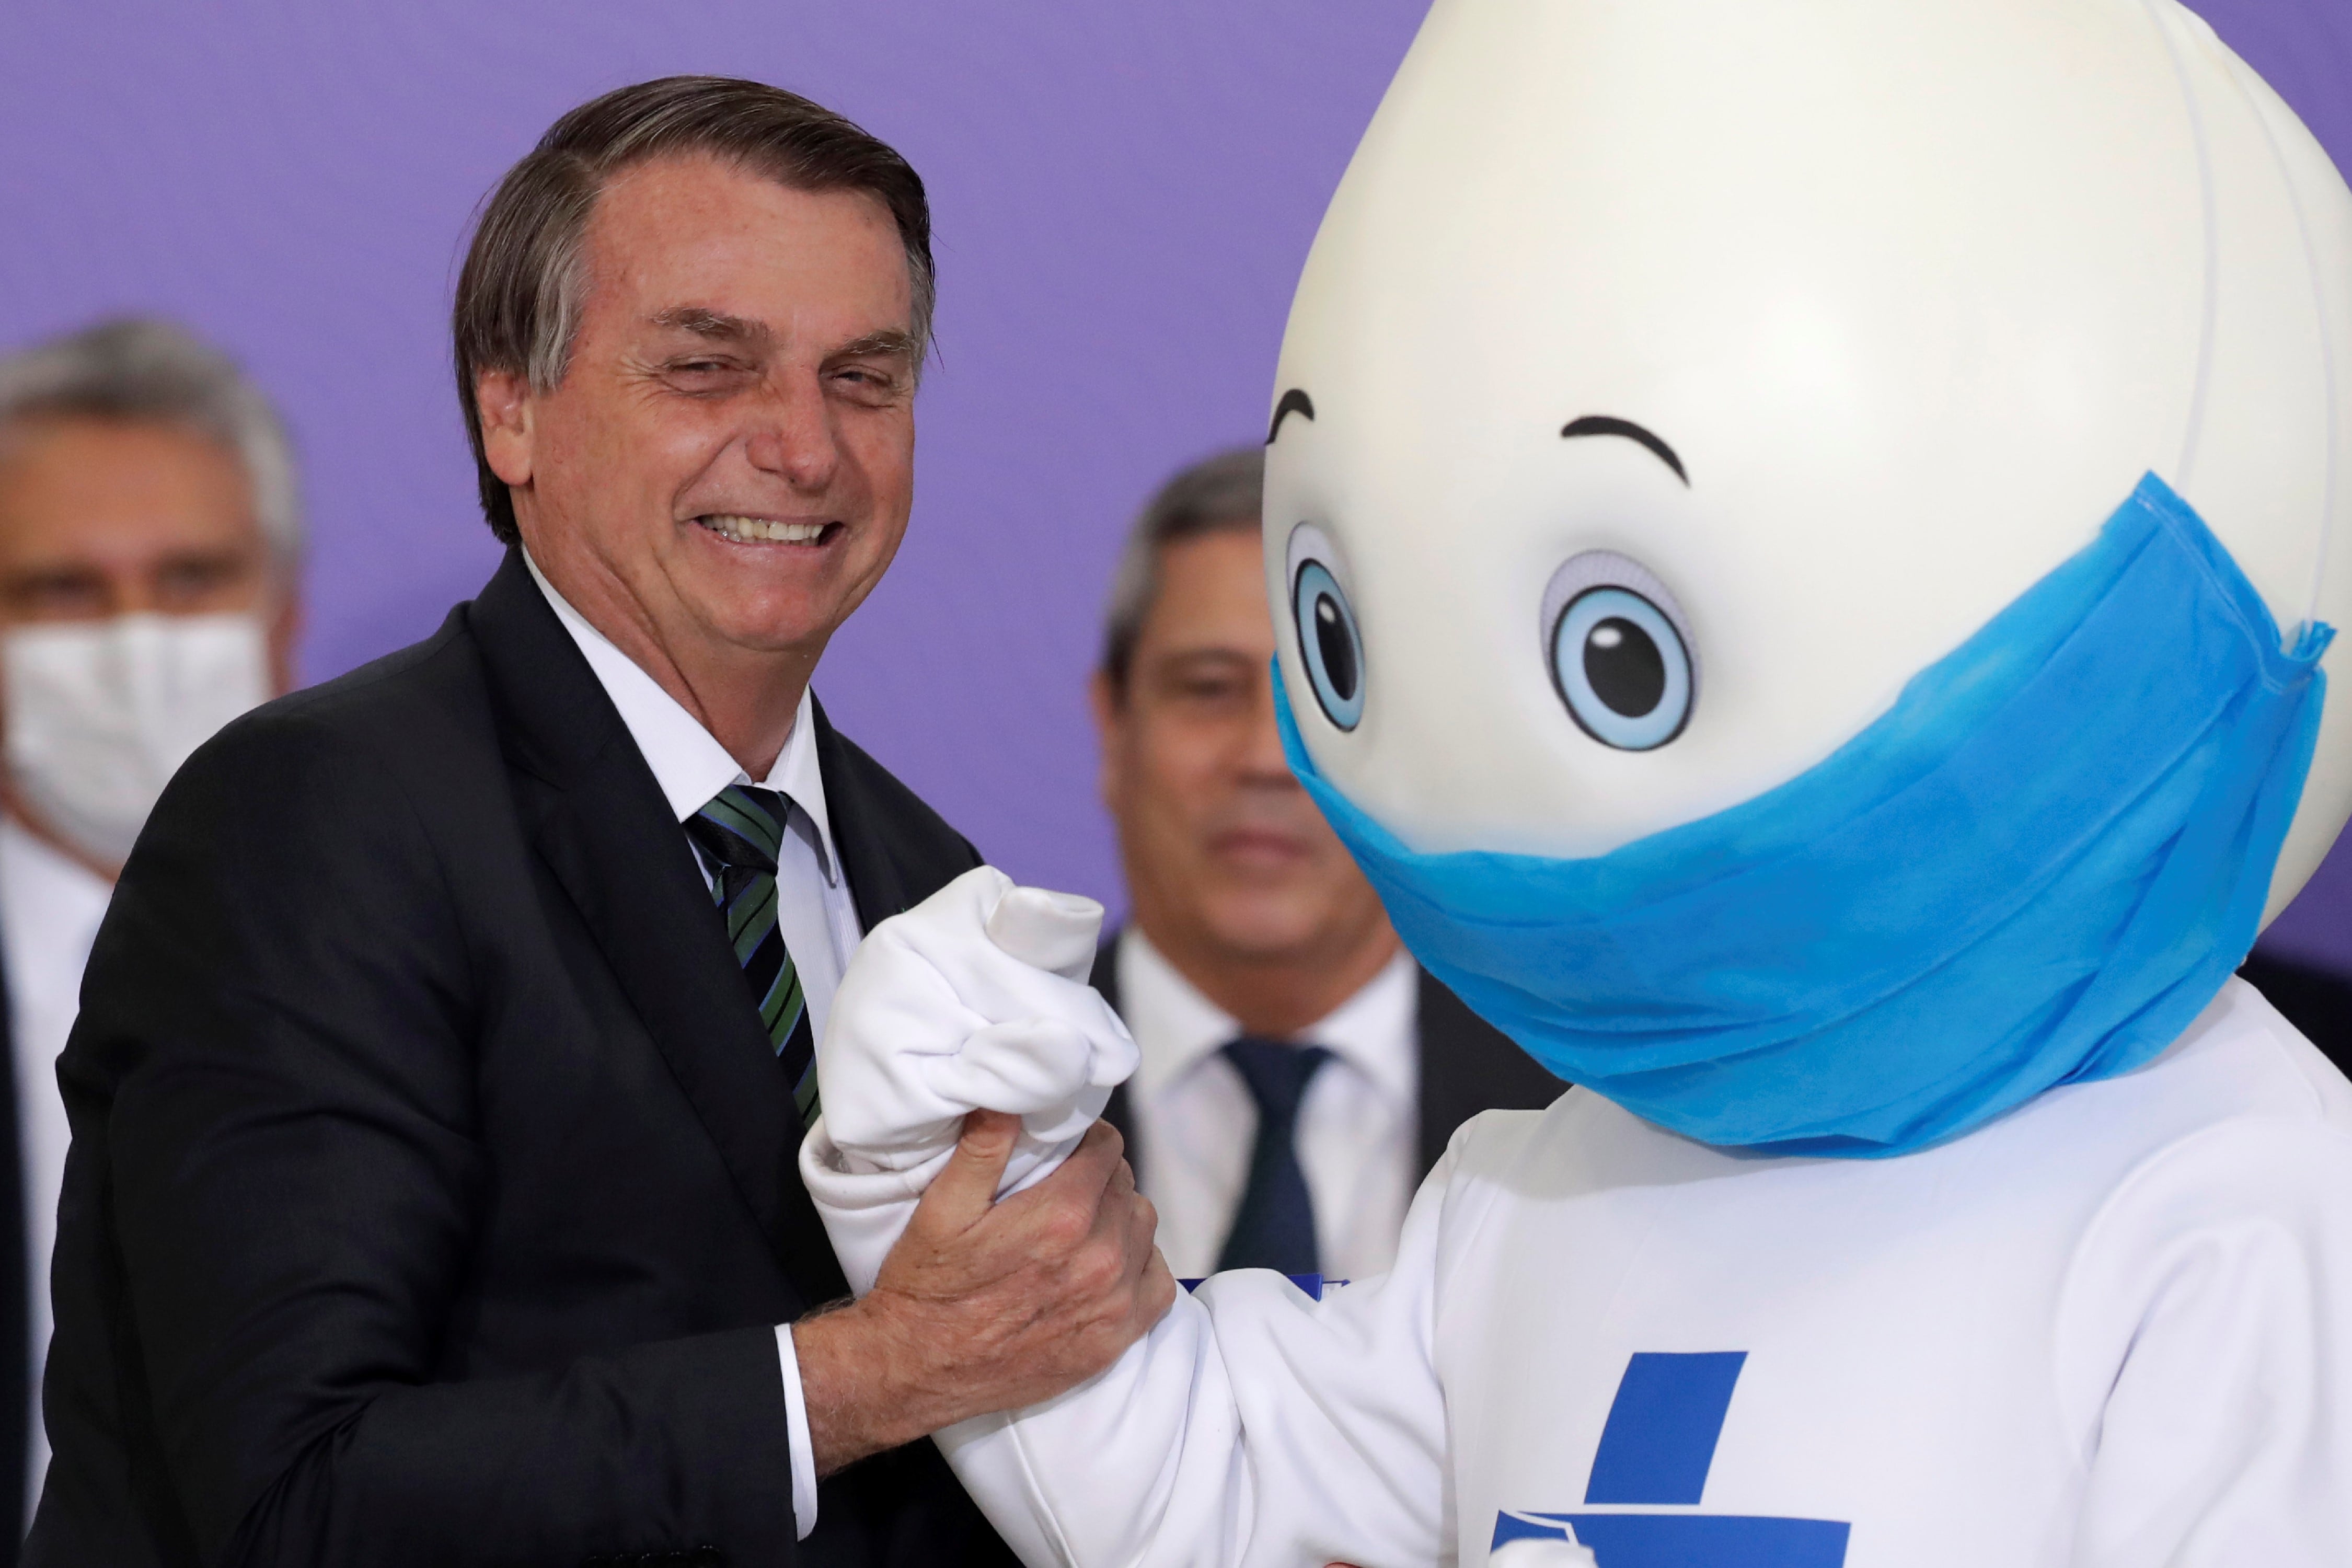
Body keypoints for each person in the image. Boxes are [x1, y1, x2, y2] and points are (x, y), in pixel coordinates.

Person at [801, 1, 2352, 1563]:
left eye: (1621, 658)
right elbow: (1214, 1481)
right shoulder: (1536, 1193)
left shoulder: (2227, 1206)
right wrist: (953, 1173)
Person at [26, 77, 1167, 1568]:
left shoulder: (940, 890)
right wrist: (865, 1377)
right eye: (710, 370)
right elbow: (291, 1498)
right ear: (514, 409)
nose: (804, 447)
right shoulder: (309, 822)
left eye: (864, 378)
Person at [1087, 447, 1557, 1280]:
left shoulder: (1581, 1111)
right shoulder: (980, 1106)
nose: (1270, 757)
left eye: (1328, 695)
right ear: (1113, 727)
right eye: (1209, 688)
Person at [0, 317, 304, 1548]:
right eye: (63, 592)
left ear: (283, 619)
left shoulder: (433, 964)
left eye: (189, 582)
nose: (135, 641)